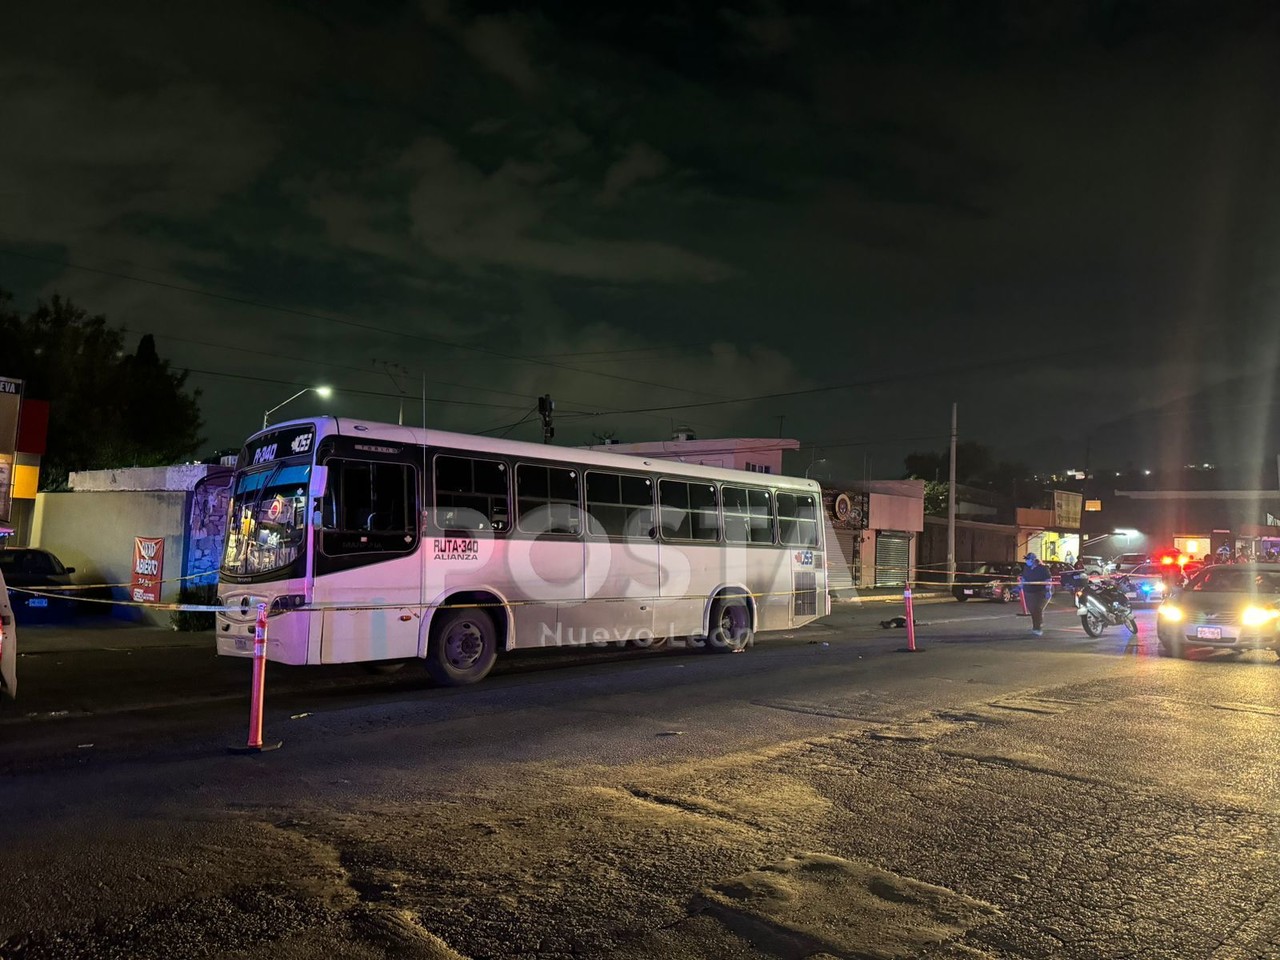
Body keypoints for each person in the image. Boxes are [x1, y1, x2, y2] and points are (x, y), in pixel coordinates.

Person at [1020, 552, 1052, 636]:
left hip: (1041, 592)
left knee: (1038, 609)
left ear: (1033, 560)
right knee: (1033, 610)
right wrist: (1021, 586)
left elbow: (1048, 580)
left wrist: (1048, 591)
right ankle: (1035, 626)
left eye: (1028, 559)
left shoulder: (1043, 568)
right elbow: (1024, 578)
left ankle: (1038, 627)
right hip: (1029, 592)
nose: (1026, 561)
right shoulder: (1026, 568)